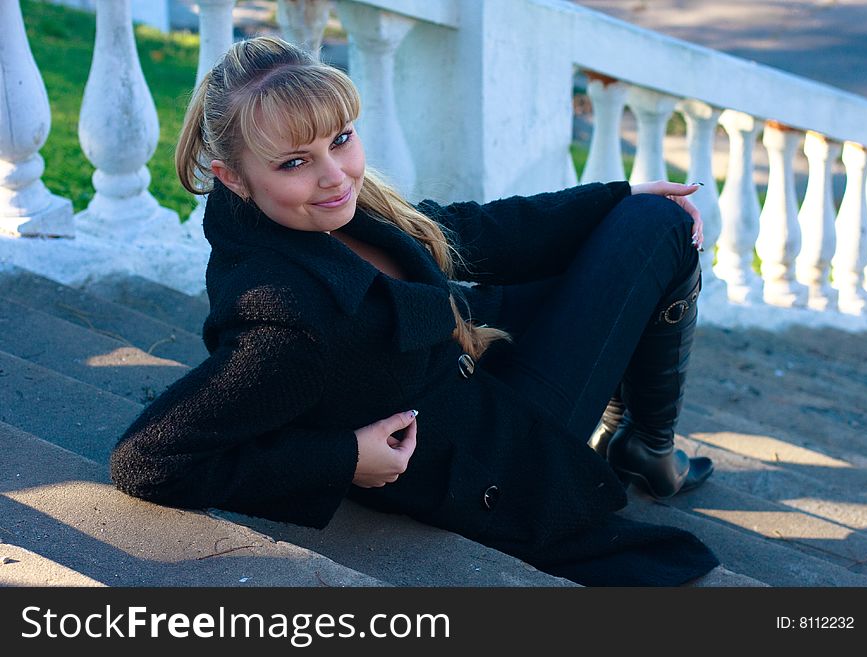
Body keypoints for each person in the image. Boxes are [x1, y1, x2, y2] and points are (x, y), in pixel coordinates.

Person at [110, 35, 718, 586]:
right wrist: (345, 458)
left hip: (468, 363)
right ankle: (646, 446)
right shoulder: (288, 324)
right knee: (660, 230)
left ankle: (643, 441)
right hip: (489, 449)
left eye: (340, 139)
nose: (334, 176)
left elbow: (455, 233)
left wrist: (610, 198)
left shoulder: (318, 211)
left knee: (641, 218)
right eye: (295, 161)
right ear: (232, 178)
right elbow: (147, 459)